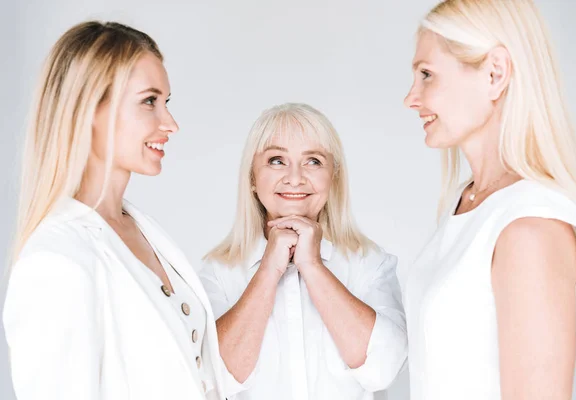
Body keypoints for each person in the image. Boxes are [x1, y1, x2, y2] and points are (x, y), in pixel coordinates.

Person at [3, 21, 225, 400]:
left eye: (166, 102)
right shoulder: (55, 259)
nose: (170, 123)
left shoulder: (141, 230)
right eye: (149, 101)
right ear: (90, 108)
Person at [402, 1, 576, 399]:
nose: (411, 98)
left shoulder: (531, 226)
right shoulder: (472, 202)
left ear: (495, 73)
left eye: (427, 75)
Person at [197, 102, 407, 400]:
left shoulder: (370, 264)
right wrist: (269, 269)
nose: (295, 178)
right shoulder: (217, 272)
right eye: (277, 160)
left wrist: (313, 265)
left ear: (333, 176)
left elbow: (384, 370)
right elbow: (213, 378)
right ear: (253, 178)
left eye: (313, 161)